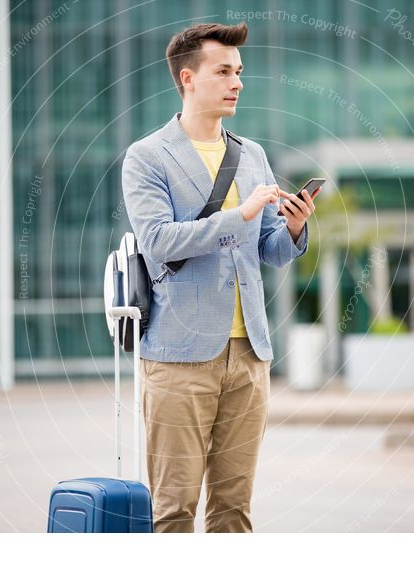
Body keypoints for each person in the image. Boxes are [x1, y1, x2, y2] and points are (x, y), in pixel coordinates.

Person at [121, 21, 315, 533]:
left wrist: (292, 228)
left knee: (234, 512)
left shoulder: (251, 155)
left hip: (249, 357)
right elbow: (158, 241)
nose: (238, 82)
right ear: (188, 78)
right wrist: (241, 215)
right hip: (179, 357)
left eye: (240, 72)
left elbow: (270, 253)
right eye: (224, 71)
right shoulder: (147, 157)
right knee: (174, 510)